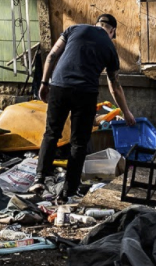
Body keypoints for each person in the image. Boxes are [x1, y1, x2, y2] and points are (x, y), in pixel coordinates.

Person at [31, 13, 136, 200]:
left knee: (51, 133)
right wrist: (126, 112)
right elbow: (115, 87)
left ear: (97, 24)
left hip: (59, 86)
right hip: (85, 93)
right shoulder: (110, 49)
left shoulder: (74, 29)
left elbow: (52, 56)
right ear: (112, 31)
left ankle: (39, 178)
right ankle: (69, 190)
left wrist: (44, 83)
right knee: (79, 142)